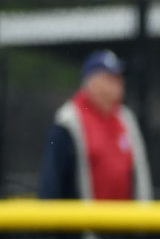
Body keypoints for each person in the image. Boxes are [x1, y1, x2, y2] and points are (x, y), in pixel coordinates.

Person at [39, 49, 152, 202]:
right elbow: (52, 185)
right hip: (84, 223)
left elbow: (140, 176)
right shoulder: (68, 122)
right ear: (91, 81)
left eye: (119, 78)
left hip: (125, 223)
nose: (119, 83)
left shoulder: (126, 119)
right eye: (110, 78)